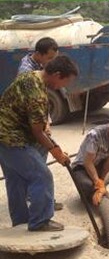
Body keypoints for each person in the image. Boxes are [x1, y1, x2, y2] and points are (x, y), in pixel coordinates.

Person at [0, 55, 78, 232]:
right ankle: (40, 221)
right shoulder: (37, 94)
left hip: (3, 136)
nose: (64, 87)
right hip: (12, 139)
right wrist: (56, 152)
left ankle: (20, 222)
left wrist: (52, 145)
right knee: (42, 176)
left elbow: (38, 127)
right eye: (65, 82)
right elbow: (37, 132)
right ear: (57, 74)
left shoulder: (30, 76)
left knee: (16, 181)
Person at [17, 37, 63, 211]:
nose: (52, 63)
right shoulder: (26, 74)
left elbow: (43, 100)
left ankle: (38, 197)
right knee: (39, 169)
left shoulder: (40, 67)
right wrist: (44, 130)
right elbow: (32, 106)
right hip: (23, 126)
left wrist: (47, 123)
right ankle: (40, 205)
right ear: (39, 54)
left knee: (39, 159)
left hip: (35, 121)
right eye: (50, 58)